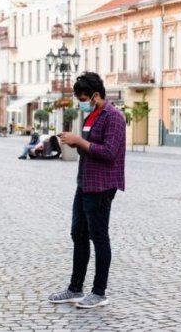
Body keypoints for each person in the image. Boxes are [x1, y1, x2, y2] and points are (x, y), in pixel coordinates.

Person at [49, 72, 126, 309]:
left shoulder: (113, 117)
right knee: (78, 233)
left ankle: (99, 292)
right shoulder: (91, 115)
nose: (80, 102)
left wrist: (80, 142)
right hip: (84, 182)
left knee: (99, 237)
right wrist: (75, 142)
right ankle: (75, 288)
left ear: (95, 95)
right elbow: (90, 149)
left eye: (83, 98)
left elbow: (109, 152)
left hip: (102, 185)